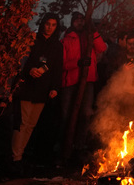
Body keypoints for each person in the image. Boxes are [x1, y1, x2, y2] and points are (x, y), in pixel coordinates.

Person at [10, 13, 62, 175]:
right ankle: (15, 158)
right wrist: (29, 70)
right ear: (43, 24)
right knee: (23, 123)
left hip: (43, 88)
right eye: (48, 24)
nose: (50, 28)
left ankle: (19, 155)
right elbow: (23, 61)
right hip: (28, 86)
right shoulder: (32, 40)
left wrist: (55, 87)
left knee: (31, 124)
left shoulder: (57, 45)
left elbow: (57, 67)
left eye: (53, 25)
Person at [60, 12, 107, 161]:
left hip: (88, 80)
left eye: (82, 20)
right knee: (65, 115)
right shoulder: (66, 40)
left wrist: (93, 31)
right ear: (72, 22)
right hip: (71, 81)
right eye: (77, 20)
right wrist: (77, 64)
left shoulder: (90, 36)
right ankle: (63, 147)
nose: (80, 22)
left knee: (86, 113)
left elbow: (102, 48)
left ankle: (79, 146)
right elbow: (62, 63)